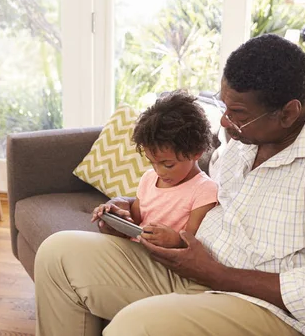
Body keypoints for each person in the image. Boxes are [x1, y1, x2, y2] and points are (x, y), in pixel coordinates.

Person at [32, 34, 305, 336]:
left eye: (237, 114)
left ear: (288, 112)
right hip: (197, 273)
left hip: (280, 317)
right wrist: (134, 205)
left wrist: (216, 273)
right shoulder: (245, 137)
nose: (224, 120)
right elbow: (200, 192)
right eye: (224, 105)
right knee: (59, 254)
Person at [91, 91, 218, 248]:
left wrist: (176, 241)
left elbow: (194, 247)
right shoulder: (149, 178)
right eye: (152, 163)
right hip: (134, 250)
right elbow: (135, 222)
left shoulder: (205, 191)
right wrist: (114, 217)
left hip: (159, 262)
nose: (159, 172)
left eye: (168, 164)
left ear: (196, 152)